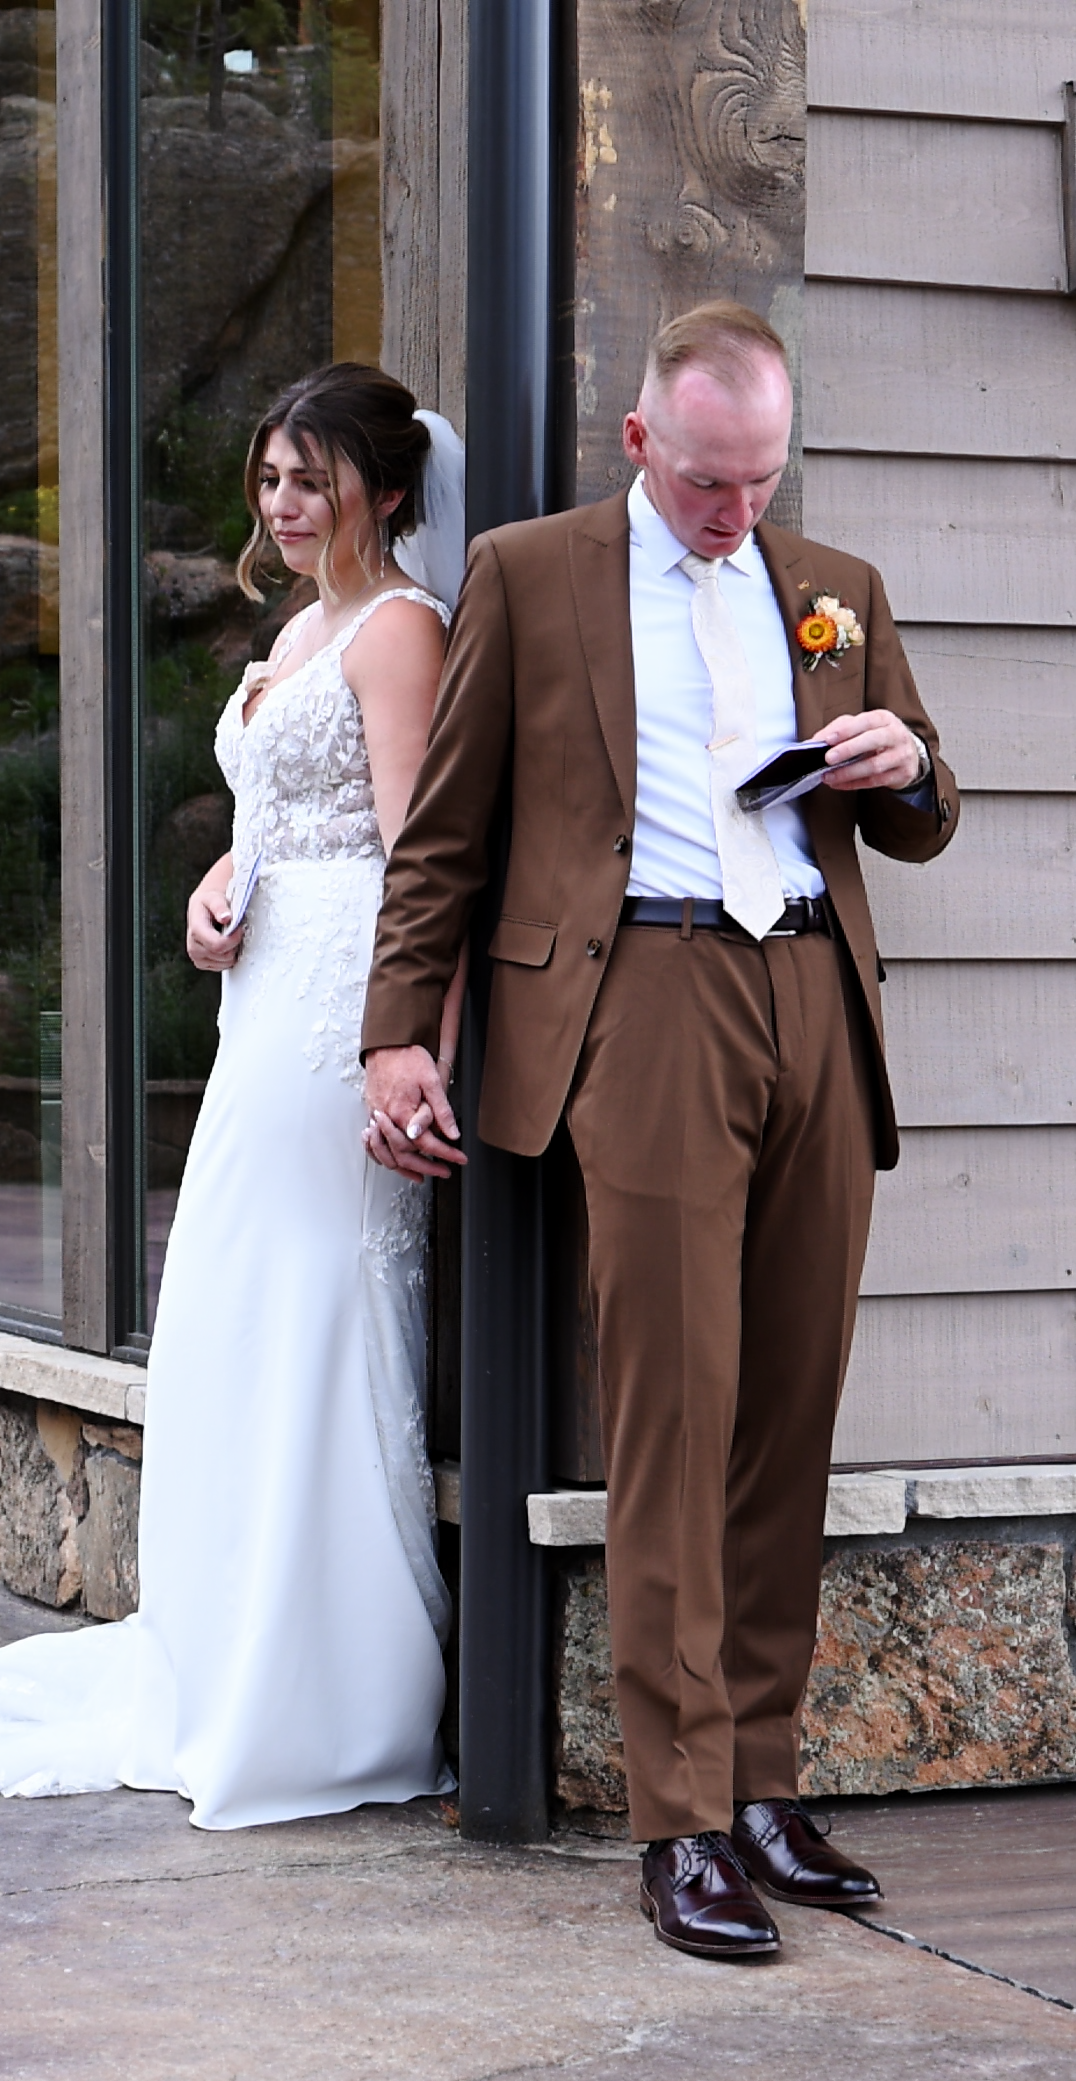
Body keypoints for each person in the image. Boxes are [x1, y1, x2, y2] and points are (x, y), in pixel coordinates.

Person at [358, 301, 959, 1959]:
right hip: (648, 1006)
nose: (737, 511)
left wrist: (904, 762)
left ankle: (764, 1779)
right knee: (674, 1414)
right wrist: (397, 1033)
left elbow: (920, 817)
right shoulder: (533, 577)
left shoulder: (832, 585)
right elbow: (449, 837)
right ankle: (681, 1818)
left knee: (789, 1410)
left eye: (762, 478)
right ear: (644, 443)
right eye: (709, 479)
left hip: (815, 999)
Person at [0, 363, 469, 1828]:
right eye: (271, 480)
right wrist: (217, 891)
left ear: (387, 486)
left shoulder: (402, 632)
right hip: (263, 1000)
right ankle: (230, 1651)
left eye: (314, 479)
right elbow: (286, 825)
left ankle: (331, 1695)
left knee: (316, 1307)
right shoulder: (299, 629)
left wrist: (405, 1037)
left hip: (340, 1021)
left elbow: (421, 856)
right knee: (233, 1311)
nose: (286, 506)